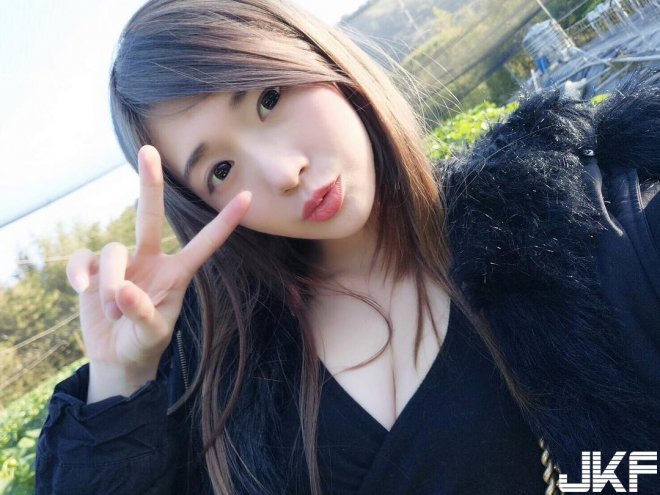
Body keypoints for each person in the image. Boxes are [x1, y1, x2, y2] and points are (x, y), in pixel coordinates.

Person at [35, 0, 660, 493]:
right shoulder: (226, 389)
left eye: (269, 99)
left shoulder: (579, 220)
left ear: (316, 58)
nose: (283, 172)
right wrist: (122, 378)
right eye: (220, 171)